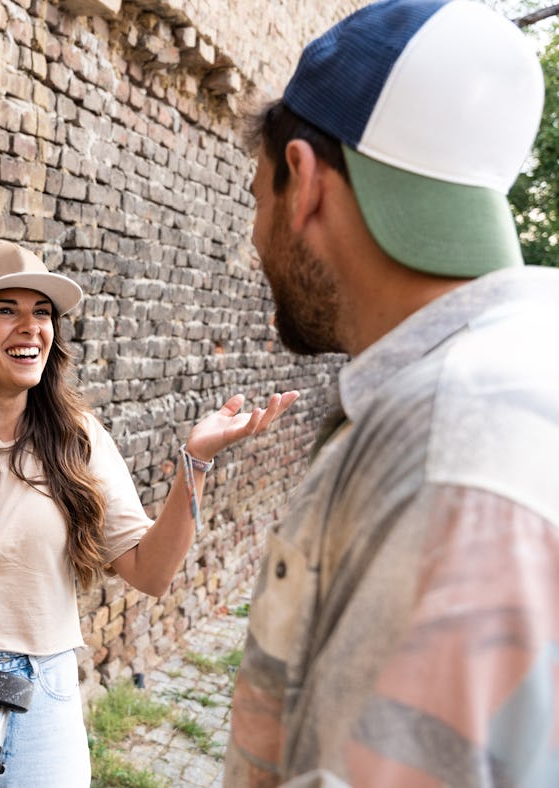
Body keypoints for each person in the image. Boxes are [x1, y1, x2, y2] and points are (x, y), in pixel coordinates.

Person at [0, 241, 298, 787]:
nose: (31, 327)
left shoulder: (79, 440)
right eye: (5, 310)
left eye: (42, 312)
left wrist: (197, 460)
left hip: (43, 702)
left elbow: (152, 572)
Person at [225, 1, 559, 786]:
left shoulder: (447, 448)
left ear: (301, 180)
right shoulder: (518, 368)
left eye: (256, 197)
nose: (255, 234)